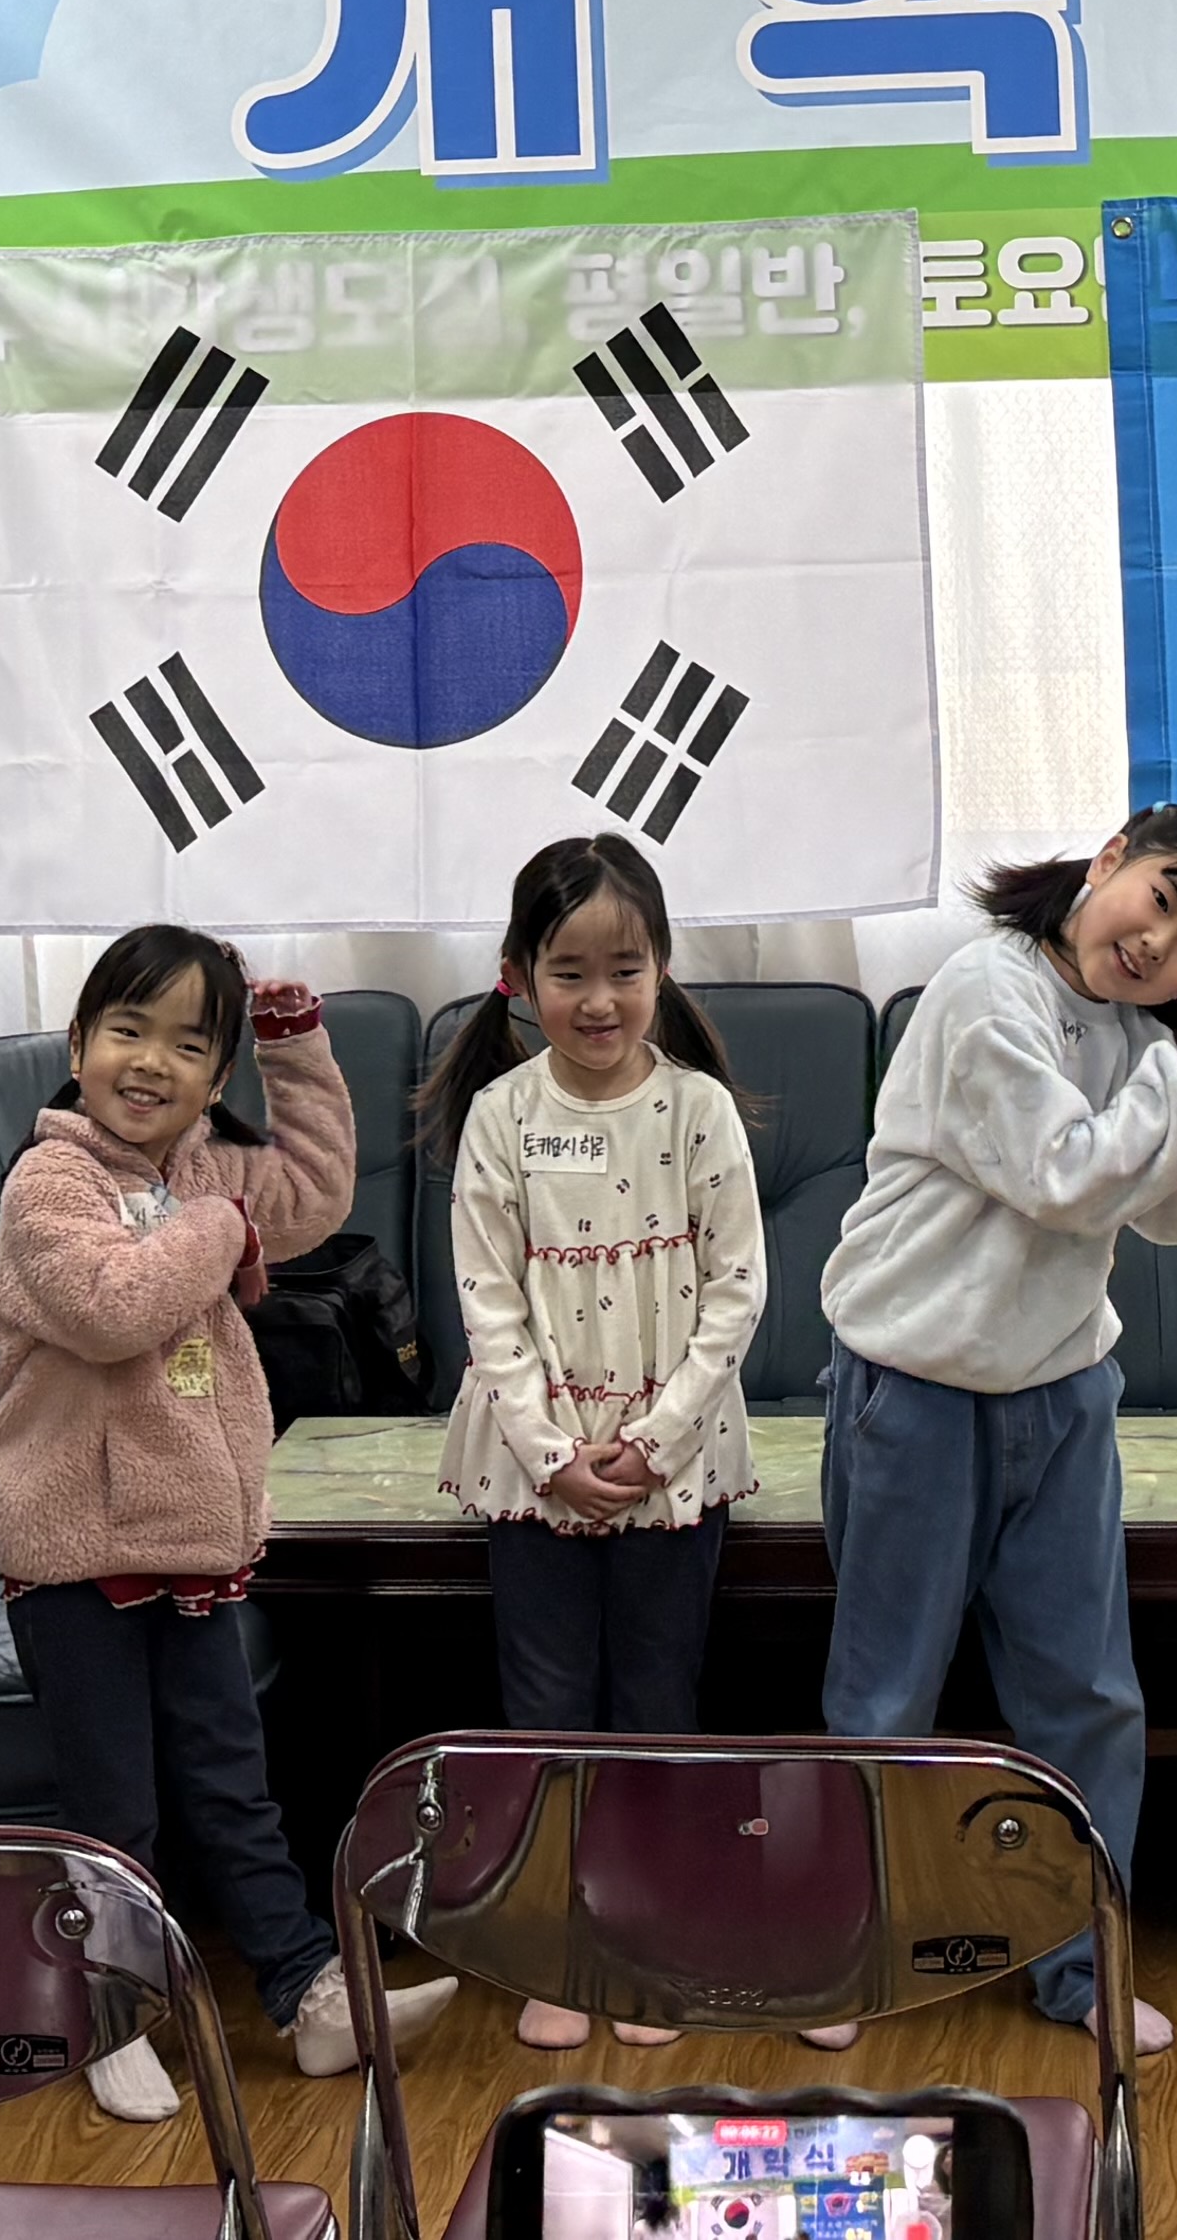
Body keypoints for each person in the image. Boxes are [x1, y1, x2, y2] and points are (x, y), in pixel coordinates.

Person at [814, 802, 1177, 2057]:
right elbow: (1069, 1175)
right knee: (884, 1695)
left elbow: (1176, 1211)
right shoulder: (988, 988)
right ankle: (847, 1956)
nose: (1160, 947)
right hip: (914, 1388)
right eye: (1163, 900)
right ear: (1111, 857)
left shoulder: (1140, 1035)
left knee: (1088, 1696)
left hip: (1064, 1392)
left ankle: (1083, 1966)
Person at [0, 920, 460, 2114]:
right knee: (115, 1808)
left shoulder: (207, 1172)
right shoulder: (50, 1180)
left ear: (216, 1075)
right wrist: (219, 1231)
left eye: (189, 1045)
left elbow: (316, 1194)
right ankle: (111, 2015)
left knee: (233, 1787)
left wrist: (295, 1050)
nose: (150, 1062)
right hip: (75, 1555)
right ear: (79, 1045)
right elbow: (110, 1307)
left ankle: (307, 1994)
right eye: (126, 1031)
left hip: (193, 1542)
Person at [418, 829, 771, 2054]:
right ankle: (562, 1947)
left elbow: (736, 1290)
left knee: (659, 1700)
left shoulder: (700, 1111)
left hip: (674, 1468)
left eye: (625, 969)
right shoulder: (502, 1116)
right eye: (569, 972)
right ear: (520, 977)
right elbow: (487, 1300)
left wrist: (657, 1442)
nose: (600, 998)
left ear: (663, 968)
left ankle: (652, 1932)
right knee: (545, 1706)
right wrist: (554, 1453)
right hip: (538, 1471)